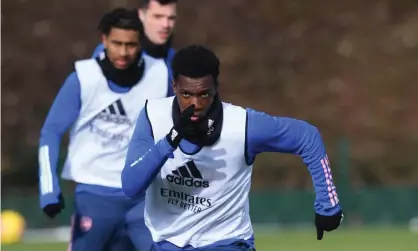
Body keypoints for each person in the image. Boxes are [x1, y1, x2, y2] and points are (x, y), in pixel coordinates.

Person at [121, 45, 344, 251]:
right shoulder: (153, 116)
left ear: (216, 88)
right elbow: (131, 186)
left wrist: (328, 203)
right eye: (186, 94)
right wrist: (170, 140)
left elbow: (307, 136)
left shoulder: (243, 125)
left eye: (204, 94)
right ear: (174, 86)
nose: (195, 105)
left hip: (226, 243)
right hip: (166, 244)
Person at [38, 8, 169, 251]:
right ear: (104, 40)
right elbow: (51, 132)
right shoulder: (83, 78)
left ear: (140, 43)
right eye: (116, 43)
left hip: (143, 199)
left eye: (130, 45)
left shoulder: (160, 74)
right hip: (94, 196)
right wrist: (49, 188)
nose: (123, 52)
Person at [92, 0, 178, 96]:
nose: (165, 25)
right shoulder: (108, 53)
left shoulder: (175, 60)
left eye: (171, 18)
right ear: (141, 15)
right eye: (157, 17)